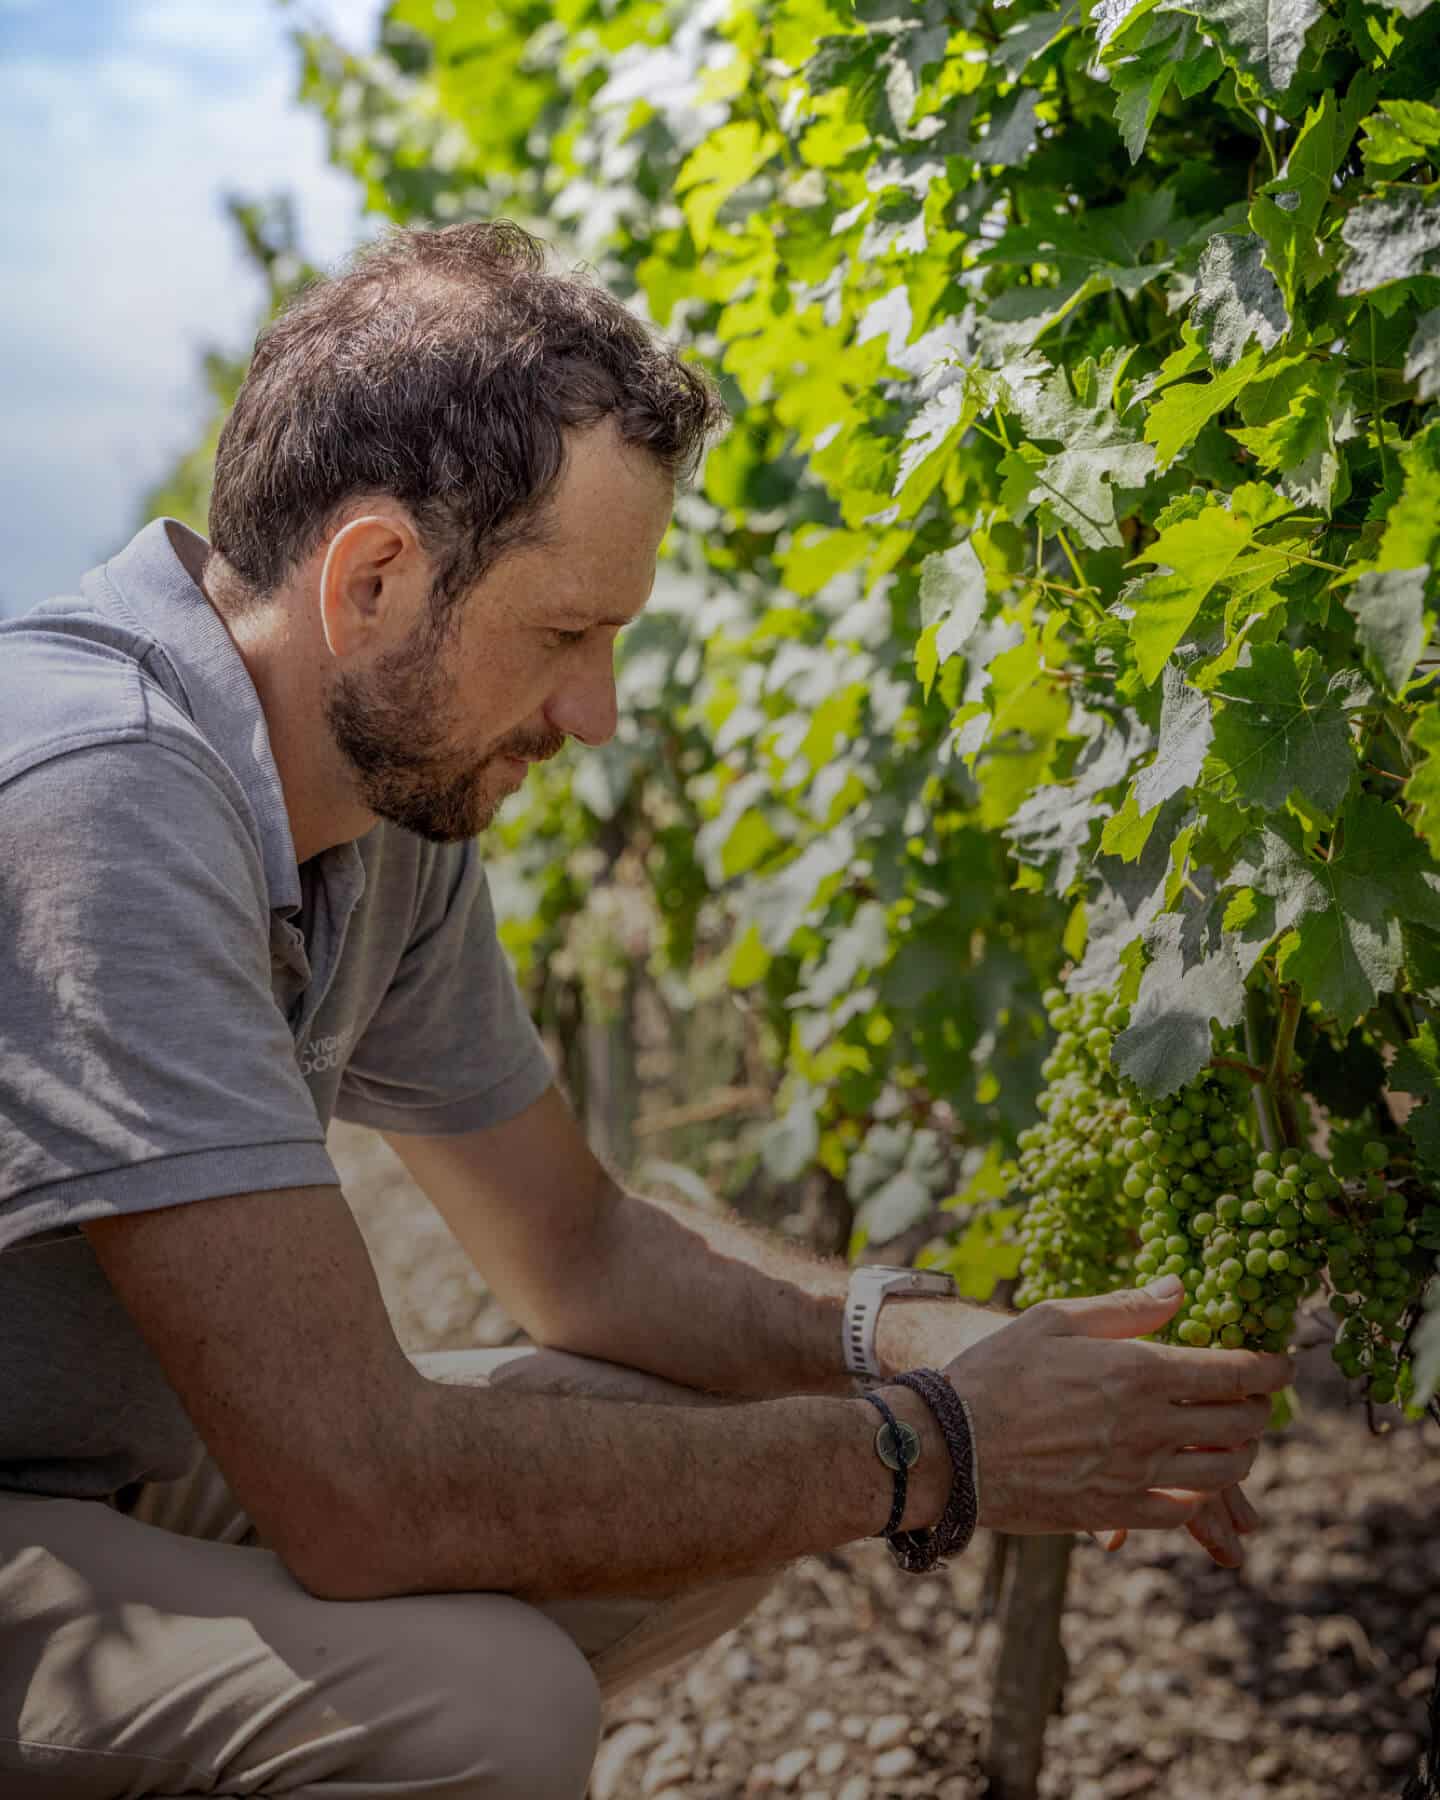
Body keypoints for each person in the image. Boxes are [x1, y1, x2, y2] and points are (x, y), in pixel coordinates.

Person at [0, 220, 1289, 1800]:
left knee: (702, 1445)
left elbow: (579, 1252)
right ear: (376, 579)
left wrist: (924, 1344)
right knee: (480, 1708)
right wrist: (938, 1448)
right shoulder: (106, 796)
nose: (595, 717)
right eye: (565, 636)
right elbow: (360, 1492)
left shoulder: (376, 804)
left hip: (104, 1462)